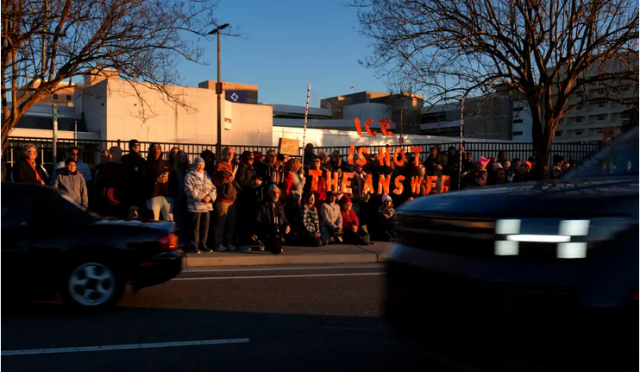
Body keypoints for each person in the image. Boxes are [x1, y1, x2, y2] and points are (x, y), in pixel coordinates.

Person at [213, 147, 243, 252]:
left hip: (232, 199)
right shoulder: (220, 165)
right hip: (222, 199)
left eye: (232, 153)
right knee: (221, 223)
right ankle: (218, 243)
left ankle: (228, 242)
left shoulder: (234, 165)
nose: (230, 155)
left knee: (231, 223)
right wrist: (226, 179)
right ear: (224, 153)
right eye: (228, 153)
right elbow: (215, 181)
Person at [184, 157, 216, 254]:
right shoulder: (189, 176)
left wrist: (210, 197)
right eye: (198, 164)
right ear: (195, 165)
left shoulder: (207, 176)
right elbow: (189, 190)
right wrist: (202, 197)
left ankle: (203, 244)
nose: (200, 167)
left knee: (205, 227)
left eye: (202, 165)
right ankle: (194, 245)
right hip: (195, 206)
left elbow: (213, 189)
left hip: (206, 206)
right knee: (195, 227)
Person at [255, 184, 290, 255]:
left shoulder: (280, 206)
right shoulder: (263, 206)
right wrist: (269, 225)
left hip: (278, 231)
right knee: (276, 250)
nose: (275, 194)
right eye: (273, 192)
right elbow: (257, 221)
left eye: (277, 192)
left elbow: (284, 219)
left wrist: (287, 225)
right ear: (269, 194)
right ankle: (264, 242)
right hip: (268, 231)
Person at [143, 143, 174, 221]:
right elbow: (143, 179)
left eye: (158, 148)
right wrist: (157, 179)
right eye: (154, 149)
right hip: (153, 196)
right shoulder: (146, 164)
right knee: (154, 220)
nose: (156, 151)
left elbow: (173, 178)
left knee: (169, 221)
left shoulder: (166, 164)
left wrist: (172, 192)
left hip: (167, 197)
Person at [170, 150, 190, 245]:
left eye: (184, 156)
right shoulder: (174, 169)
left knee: (187, 221)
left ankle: (186, 240)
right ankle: (179, 241)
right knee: (179, 221)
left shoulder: (188, 169)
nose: (183, 158)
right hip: (178, 198)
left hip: (187, 198)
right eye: (181, 156)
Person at [121, 139, 146, 214]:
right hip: (127, 189)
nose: (137, 147)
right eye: (134, 146)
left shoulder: (141, 160)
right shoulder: (125, 159)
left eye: (138, 145)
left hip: (138, 189)